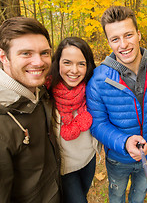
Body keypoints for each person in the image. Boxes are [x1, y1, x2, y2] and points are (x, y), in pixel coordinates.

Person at [0, 17, 61, 202]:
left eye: (44, 52)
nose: (39, 62)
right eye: (26, 53)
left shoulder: (36, 93)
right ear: (3, 56)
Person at [86, 5, 147, 203]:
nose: (123, 44)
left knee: (138, 196)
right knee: (117, 196)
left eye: (128, 35)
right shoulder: (98, 80)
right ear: (109, 42)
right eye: (115, 39)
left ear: (138, 34)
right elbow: (97, 124)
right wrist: (123, 142)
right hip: (118, 158)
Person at [46, 37, 100, 203]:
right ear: (58, 63)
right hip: (65, 167)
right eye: (67, 63)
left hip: (88, 160)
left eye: (81, 64)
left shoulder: (92, 90)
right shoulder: (45, 94)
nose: (74, 70)